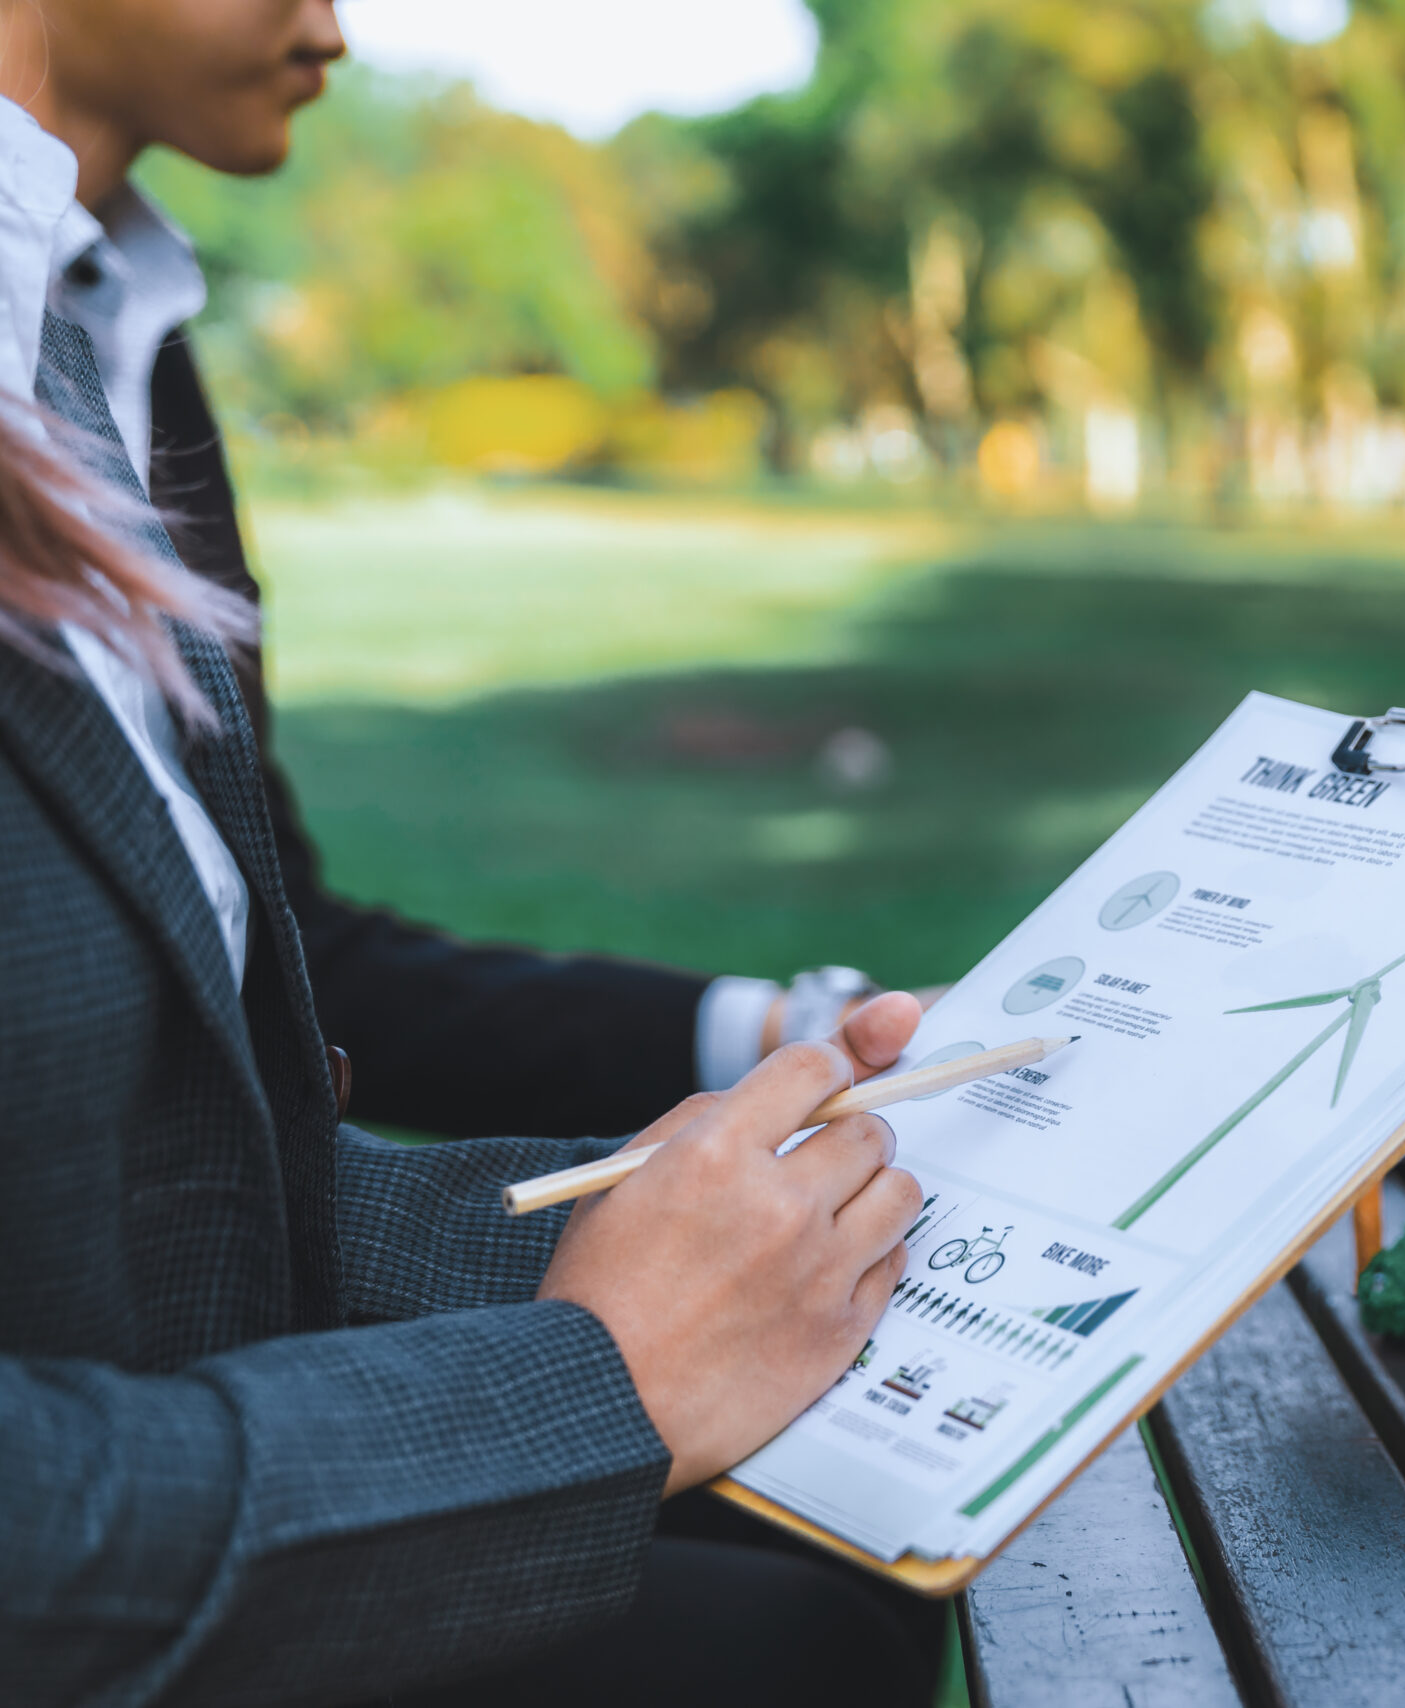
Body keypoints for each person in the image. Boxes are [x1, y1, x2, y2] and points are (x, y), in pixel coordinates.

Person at [0, 109, 936, 1707]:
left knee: (846, 1576)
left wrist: (688, 1223)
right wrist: (590, 1382)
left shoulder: (47, 320)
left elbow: (147, 1158)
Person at [1, 0, 873, 1142]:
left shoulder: (132, 329)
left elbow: (272, 953)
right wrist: (592, 1327)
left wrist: (803, 1036)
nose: (330, 32)